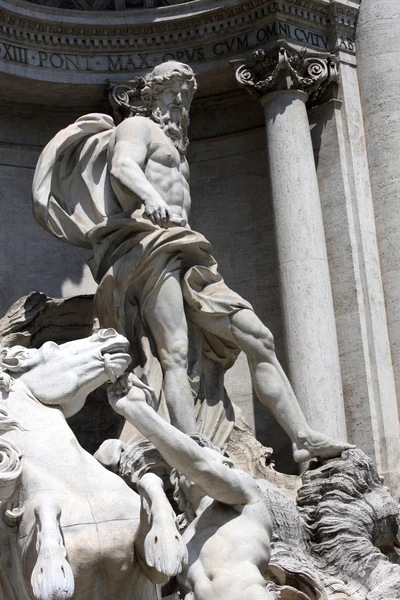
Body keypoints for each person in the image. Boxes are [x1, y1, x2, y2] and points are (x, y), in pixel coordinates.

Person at [33, 60, 352, 462]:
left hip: (186, 250)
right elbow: (122, 167)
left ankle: (303, 437)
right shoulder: (137, 127)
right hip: (148, 248)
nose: (181, 101)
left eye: (186, 94)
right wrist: (149, 196)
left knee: (258, 336)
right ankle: (190, 451)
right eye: (172, 91)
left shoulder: (178, 149)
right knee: (175, 353)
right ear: (150, 96)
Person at [108, 373, 279, 600]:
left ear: (225, 463)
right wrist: (118, 472)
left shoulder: (246, 499)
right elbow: (148, 580)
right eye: (177, 468)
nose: (181, 467)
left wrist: (137, 411)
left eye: (197, 451)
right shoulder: (181, 538)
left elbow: (200, 467)